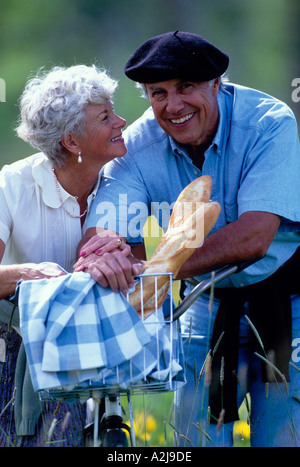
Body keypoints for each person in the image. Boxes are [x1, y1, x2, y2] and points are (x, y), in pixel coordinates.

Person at [78, 31, 300, 447]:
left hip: (289, 298)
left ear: (217, 83)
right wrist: (106, 250)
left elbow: (255, 235)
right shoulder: (137, 147)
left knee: (283, 437)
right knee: (194, 440)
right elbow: (105, 233)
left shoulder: (270, 123)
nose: (173, 106)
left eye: (187, 88)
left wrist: (156, 267)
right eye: (158, 93)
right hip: (204, 301)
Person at [0, 64, 136, 446]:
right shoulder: (12, 184)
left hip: (100, 352)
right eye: (105, 116)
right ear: (72, 142)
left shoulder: (125, 185)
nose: (121, 121)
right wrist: (29, 273)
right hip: (16, 355)